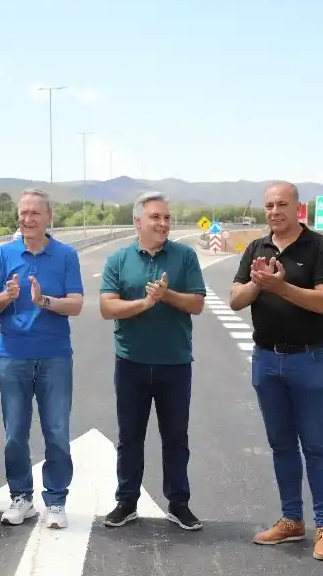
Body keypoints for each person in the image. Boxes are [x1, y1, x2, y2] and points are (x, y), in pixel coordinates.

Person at [229, 181, 323, 562]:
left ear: (299, 209)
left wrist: (281, 285)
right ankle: (292, 520)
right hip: (266, 360)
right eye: (269, 206)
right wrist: (259, 284)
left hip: (309, 360)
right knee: (281, 445)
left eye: (282, 204)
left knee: (316, 445)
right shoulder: (255, 248)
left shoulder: (321, 248)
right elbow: (235, 300)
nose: (274, 211)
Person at [99, 191, 205, 531]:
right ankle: (126, 502)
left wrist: (166, 296)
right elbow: (107, 307)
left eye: (166, 218)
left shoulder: (185, 256)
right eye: (156, 217)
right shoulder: (118, 260)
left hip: (175, 363)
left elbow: (197, 303)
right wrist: (144, 304)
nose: (163, 223)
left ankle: (179, 503)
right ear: (138, 222)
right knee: (130, 437)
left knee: (176, 437)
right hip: (130, 363)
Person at [0, 188, 83, 529]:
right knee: (15, 433)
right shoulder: (3, 254)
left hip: (55, 356)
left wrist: (44, 301)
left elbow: (76, 304)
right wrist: (6, 296)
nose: (27, 218)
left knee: (56, 431)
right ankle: (21, 498)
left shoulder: (67, 255)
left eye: (34, 213)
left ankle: (55, 501)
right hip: (12, 356)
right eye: (23, 213)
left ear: (48, 217)